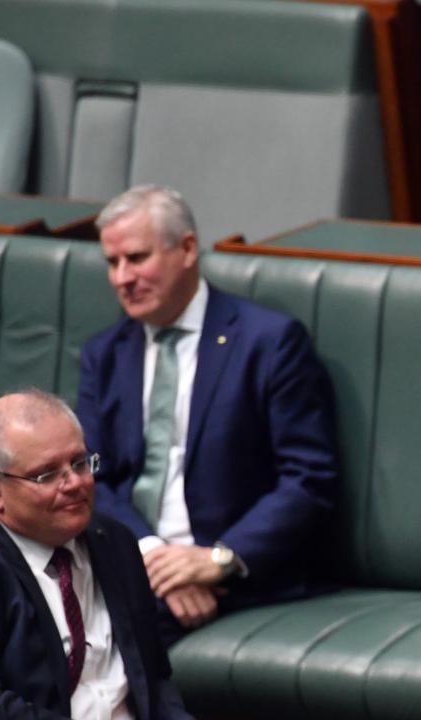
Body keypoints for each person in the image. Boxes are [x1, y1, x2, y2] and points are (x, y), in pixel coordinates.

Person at [75, 185, 338, 645]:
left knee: (94, 632)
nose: (122, 278)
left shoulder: (268, 342)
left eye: (137, 258)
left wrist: (217, 559)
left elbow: (308, 478)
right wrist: (154, 558)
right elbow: (89, 473)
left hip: (233, 569)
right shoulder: (107, 354)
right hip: (136, 558)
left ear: (188, 249)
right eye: (112, 263)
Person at [0, 390, 192, 719]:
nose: (76, 482)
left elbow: (155, 680)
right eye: (47, 474)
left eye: (80, 462)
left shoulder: (116, 542)